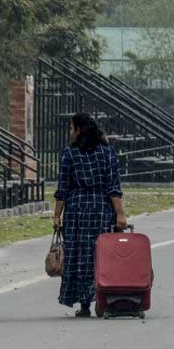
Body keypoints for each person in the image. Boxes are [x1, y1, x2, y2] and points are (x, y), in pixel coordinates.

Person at [53, 113, 126, 317]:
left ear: (78, 130)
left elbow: (63, 190)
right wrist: (120, 214)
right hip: (101, 209)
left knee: (79, 257)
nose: (70, 132)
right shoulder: (107, 153)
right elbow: (114, 187)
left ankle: (84, 305)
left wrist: (56, 216)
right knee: (101, 255)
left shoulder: (70, 154)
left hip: (76, 210)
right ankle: (101, 299)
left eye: (71, 128)